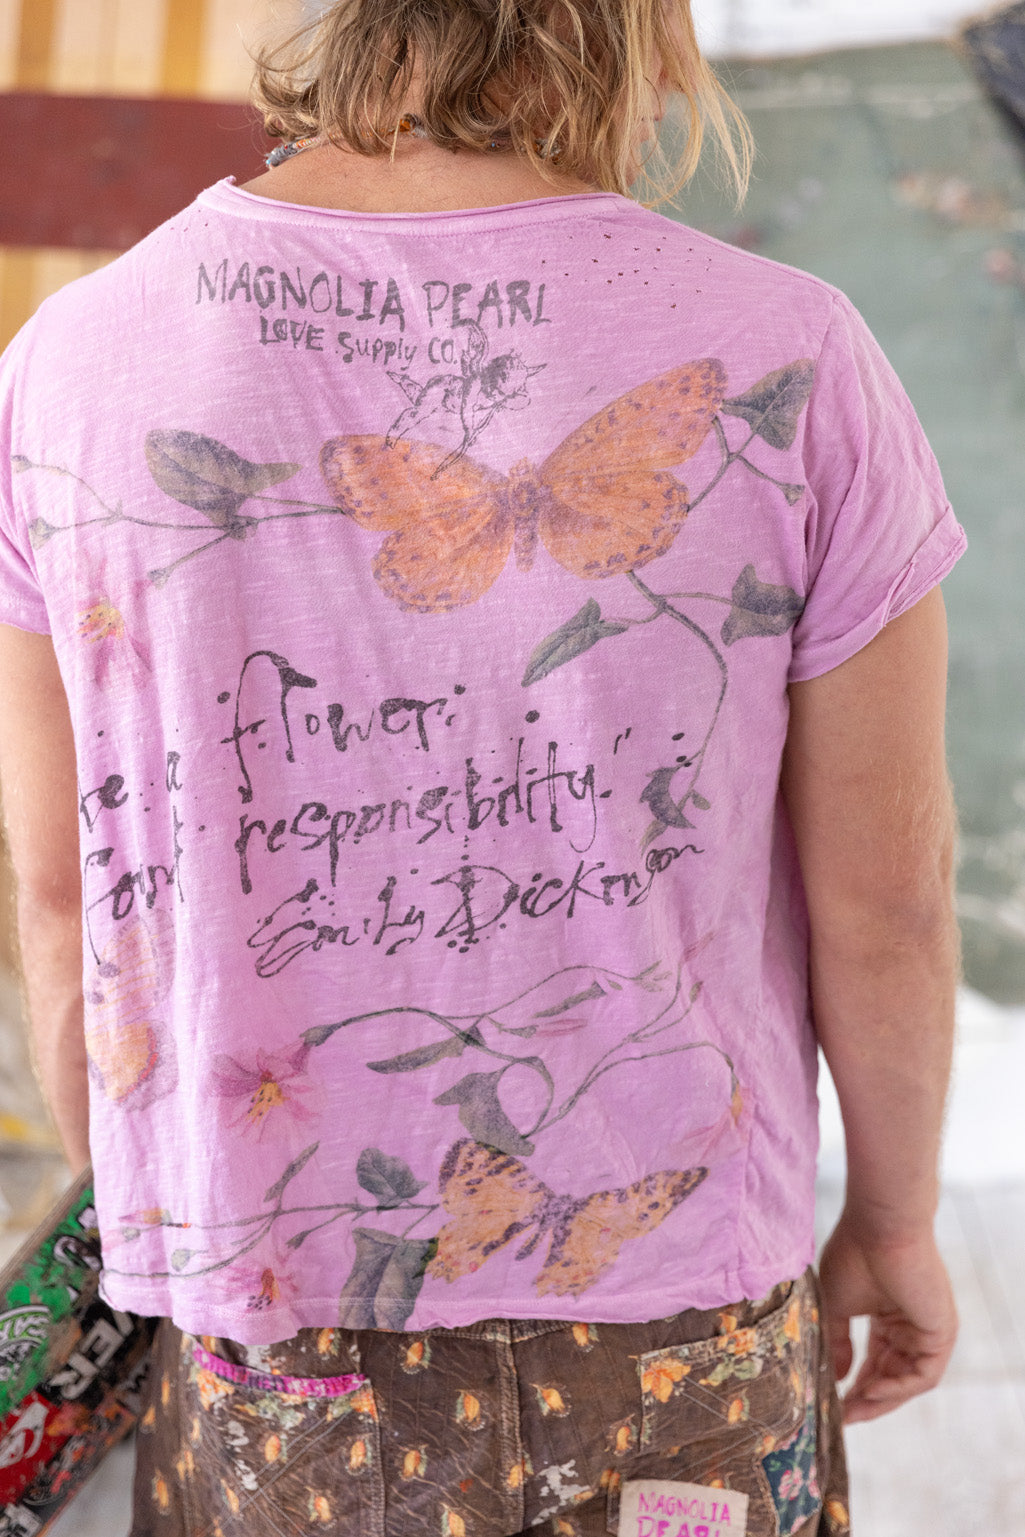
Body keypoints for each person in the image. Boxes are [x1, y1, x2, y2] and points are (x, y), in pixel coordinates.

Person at [0, 3, 963, 1533]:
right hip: (681, 1326)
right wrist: (894, 1222)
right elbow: (889, 899)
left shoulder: (73, 364)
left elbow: (65, 896)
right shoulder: (792, 352)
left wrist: (159, 1206)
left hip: (275, 1335)